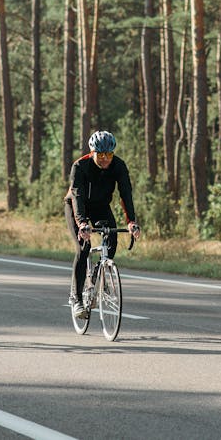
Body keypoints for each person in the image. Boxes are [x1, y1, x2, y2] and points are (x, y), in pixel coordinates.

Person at [64, 130, 141, 319]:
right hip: (76, 207)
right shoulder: (80, 166)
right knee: (84, 247)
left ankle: (98, 273)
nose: (105, 159)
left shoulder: (119, 166)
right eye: (101, 155)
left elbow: (126, 194)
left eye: (109, 154)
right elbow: (77, 196)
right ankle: (76, 298)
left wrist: (131, 221)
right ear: (92, 152)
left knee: (112, 240)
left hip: (100, 207)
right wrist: (82, 223)